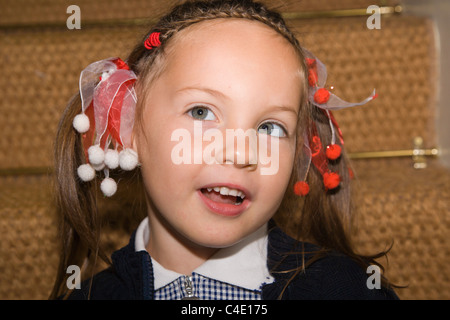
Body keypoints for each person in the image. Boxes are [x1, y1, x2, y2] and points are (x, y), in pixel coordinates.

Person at [50, 0, 398, 300]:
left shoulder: (347, 289)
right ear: (128, 126)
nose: (241, 153)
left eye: (270, 128)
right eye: (201, 111)